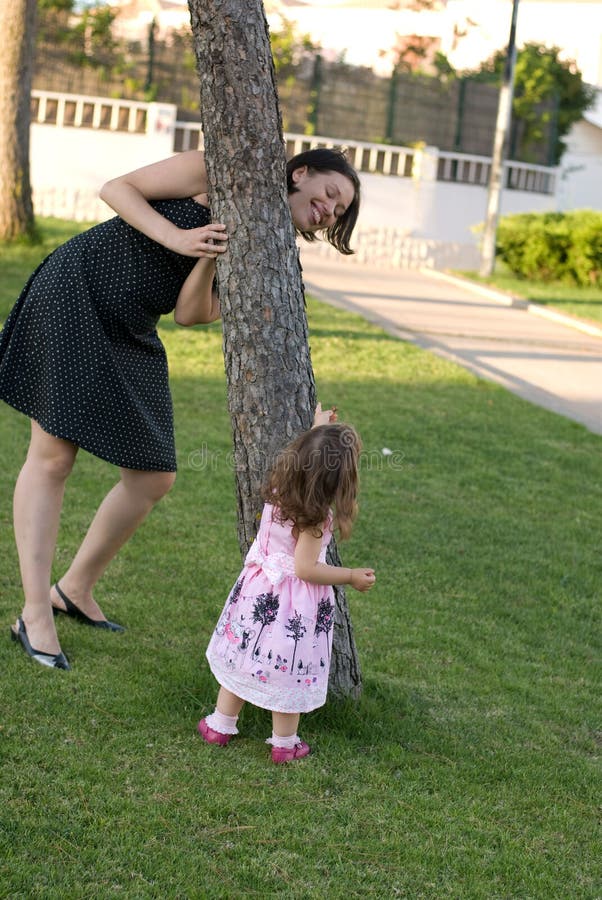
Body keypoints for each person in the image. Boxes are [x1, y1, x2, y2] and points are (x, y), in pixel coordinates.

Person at [1, 147, 362, 671]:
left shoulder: (273, 249)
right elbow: (116, 188)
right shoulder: (221, 165)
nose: (330, 209)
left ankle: (73, 589)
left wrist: (208, 254)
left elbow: (192, 313)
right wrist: (179, 236)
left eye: (340, 210)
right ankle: (35, 613)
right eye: (330, 193)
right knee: (53, 457)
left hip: (134, 326)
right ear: (300, 173)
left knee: (153, 477)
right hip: (79, 290)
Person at [198, 404, 375, 764]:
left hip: (257, 592)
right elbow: (306, 569)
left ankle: (219, 725)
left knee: (244, 658)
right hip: (292, 603)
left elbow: (307, 458)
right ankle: (285, 744)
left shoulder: (280, 488)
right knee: (286, 672)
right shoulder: (315, 519)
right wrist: (350, 576)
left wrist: (315, 430)